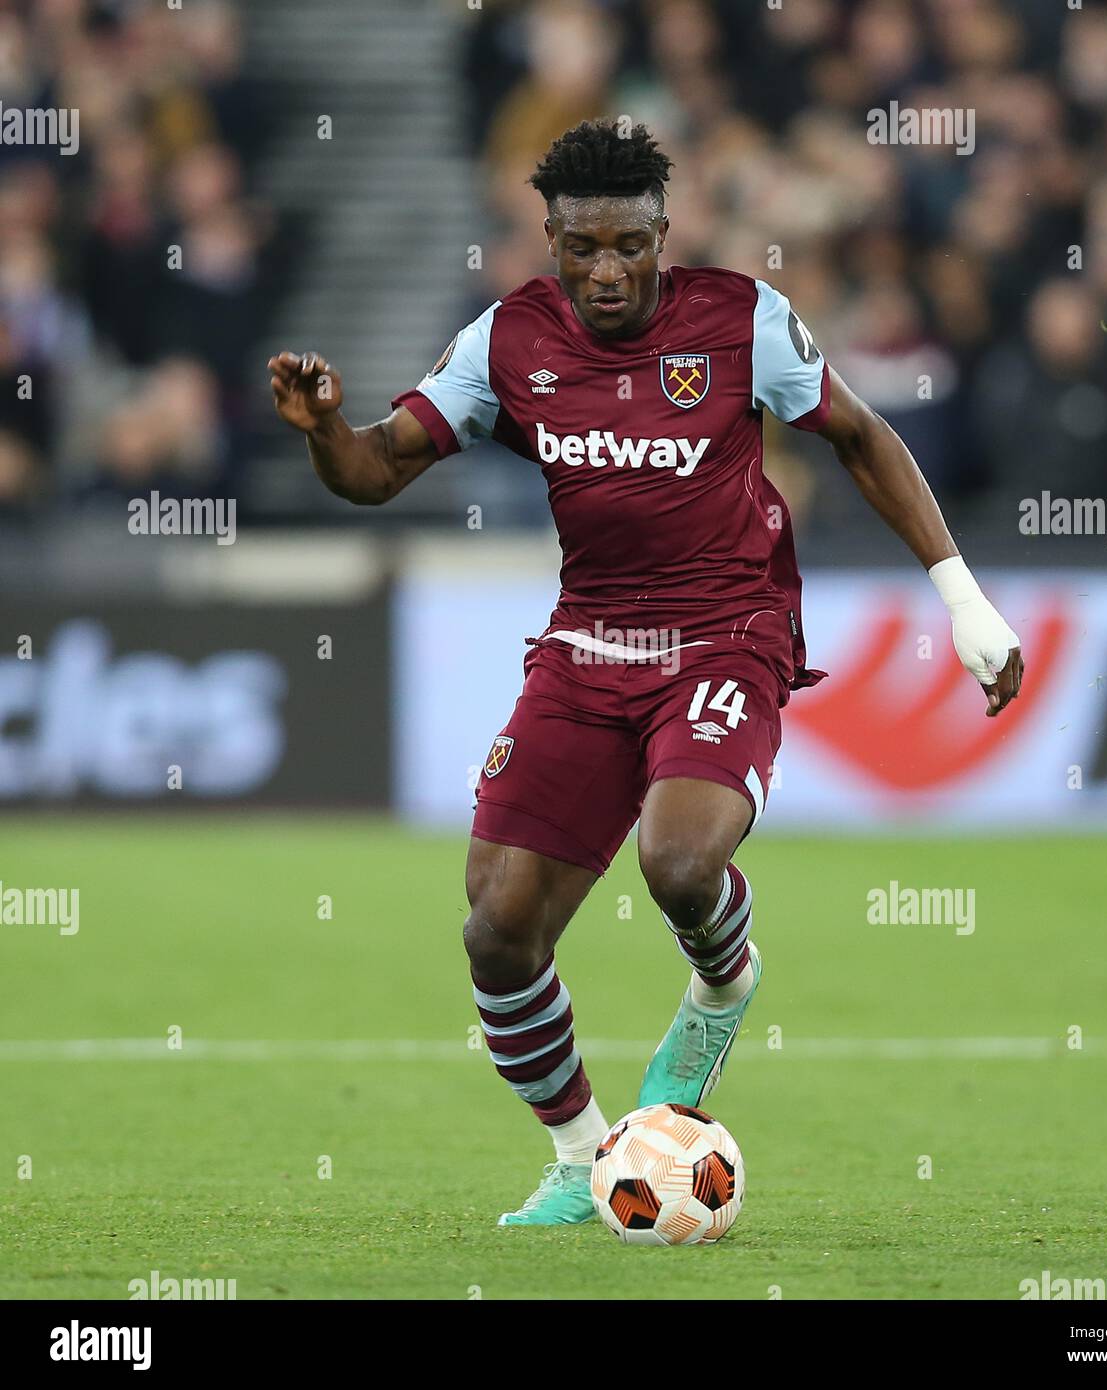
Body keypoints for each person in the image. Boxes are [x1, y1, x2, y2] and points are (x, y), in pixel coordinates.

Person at [268, 120, 1024, 1226]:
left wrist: (960, 597)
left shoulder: (739, 322)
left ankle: (724, 977)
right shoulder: (506, 342)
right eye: (582, 248)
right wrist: (327, 428)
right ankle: (582, 1154)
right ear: (552, 241)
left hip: (728, 635)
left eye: (629, 245)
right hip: (587, 645)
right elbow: (378, 469)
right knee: (496, 925)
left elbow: (861, 437)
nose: (606, 270)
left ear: (663, 236)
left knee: (676, 863)